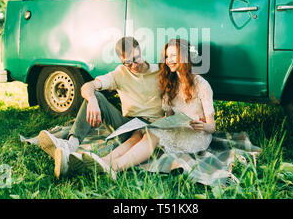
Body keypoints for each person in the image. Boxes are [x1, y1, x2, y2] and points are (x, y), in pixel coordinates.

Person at [70, 38, 216, 175]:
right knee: (141, 133)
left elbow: (212, 126)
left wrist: (202, 126)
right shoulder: (169, 83)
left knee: (150, 133)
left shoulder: (199, 84)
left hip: (194, 134)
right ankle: (99, 161)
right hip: (134, 125)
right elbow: (169, 118)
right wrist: (92, 100)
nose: (169, 60)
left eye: (173, 56)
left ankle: (113, 167)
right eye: (167, 56)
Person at [37, 36, 164, 178]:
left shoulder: (159, 71)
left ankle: (77, 163)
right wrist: (92, 99)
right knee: (95, 96)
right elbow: (88, 86)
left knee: (142, 139)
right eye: (127, 63)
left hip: (153, 126)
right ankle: (71, 145)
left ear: (140, 50)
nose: (133, 65)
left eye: (136, 58)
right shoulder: (120, 73)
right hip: (127, 127)